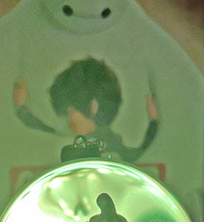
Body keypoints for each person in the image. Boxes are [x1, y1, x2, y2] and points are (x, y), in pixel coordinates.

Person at [13, 57, 159, 163]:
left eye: (71, 113)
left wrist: (21, 109)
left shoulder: (107, 148)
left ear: (93, 106)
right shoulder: (107, 144)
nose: (68, 122)